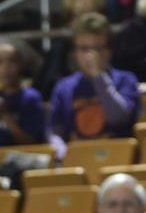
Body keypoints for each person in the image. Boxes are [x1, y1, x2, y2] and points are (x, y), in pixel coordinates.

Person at [46, 14, 139, 162]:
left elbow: (119, 118)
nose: (91, 56)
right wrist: (64, 154)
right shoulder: (63, 87)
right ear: (75, 52)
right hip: (77, 161)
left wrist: (98, 77)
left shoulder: (126, 79)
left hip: (117, 159)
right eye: (84, 49)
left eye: (97, 49)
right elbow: (55, 132)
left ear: (109, 50)